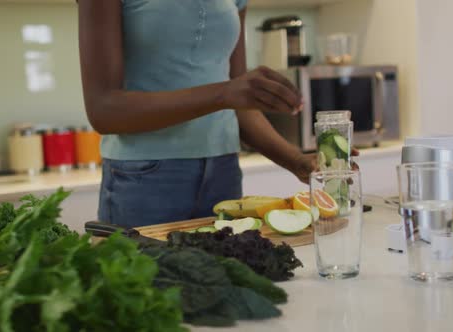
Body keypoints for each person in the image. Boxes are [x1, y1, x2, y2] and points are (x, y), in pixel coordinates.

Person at [78, 0, 344, 227]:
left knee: (226, 284)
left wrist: (297, 161)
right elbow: (104, 110)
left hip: (223, 173)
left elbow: (240, 102)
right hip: (144, 179)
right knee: (145, 287)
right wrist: (225, 93)